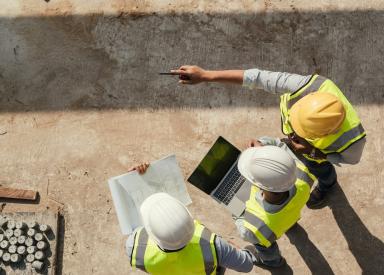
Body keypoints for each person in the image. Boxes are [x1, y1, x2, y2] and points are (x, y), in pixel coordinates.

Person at [170, 66, 366, 208]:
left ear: (323, 133)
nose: (292, 134)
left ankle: (328, 185)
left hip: (317, 154)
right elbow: (257, 77)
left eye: (299, 131)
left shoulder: (353, 142)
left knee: (321, 170)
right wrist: (206, 75)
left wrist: (314, 152)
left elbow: (350, 160)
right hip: (310, 146)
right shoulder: (307, 86)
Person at [125, 164, 255, 275]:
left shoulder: (134, 248)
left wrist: (135, 180)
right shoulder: (214, 246)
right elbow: (247, 265)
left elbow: (133, 224)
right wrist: (239, 250)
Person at [233, 145, 316, 267]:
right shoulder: (303, 176)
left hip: (270, 230)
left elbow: (245, 233)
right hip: (289, 217)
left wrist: (234, 208)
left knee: (264, 246)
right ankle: (291, 226)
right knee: (286, 220)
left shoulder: (254, 228)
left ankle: (273, 261)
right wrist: (265, 156)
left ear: (259, 186)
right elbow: (283, 155)